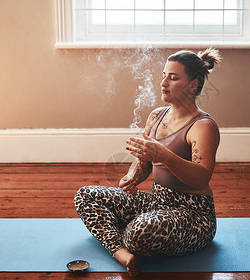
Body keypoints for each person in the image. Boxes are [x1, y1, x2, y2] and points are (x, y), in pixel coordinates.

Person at [74, 48, 221, 277]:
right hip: (157, 201)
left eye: (173, 78)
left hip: (193, 215)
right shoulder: (156, 116)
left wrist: (164, 155)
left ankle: (119, 235)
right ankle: (121, 251)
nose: (164, 82)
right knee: (85, 195)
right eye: (163, 75)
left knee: (140, 231)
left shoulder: (203, 126)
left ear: (193, 85)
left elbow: (201, 177)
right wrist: (131, 176)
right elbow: (143, 164)